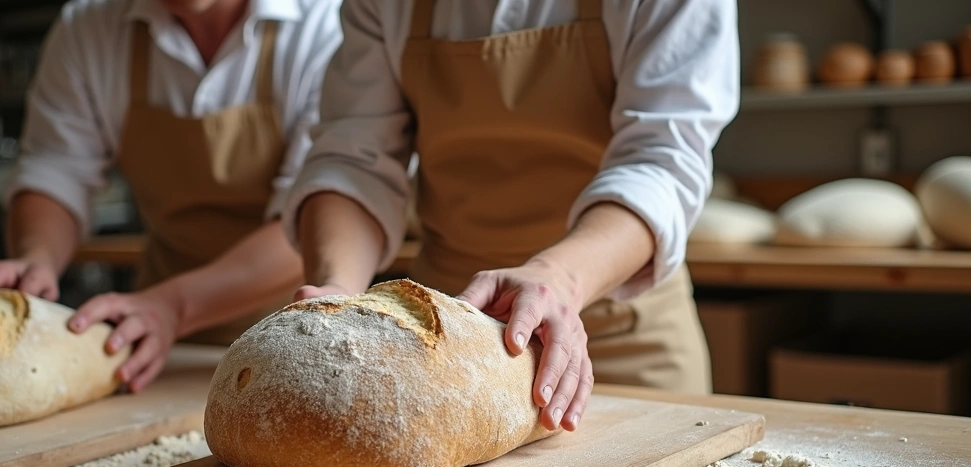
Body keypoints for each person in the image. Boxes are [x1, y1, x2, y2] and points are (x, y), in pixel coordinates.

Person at [281, 0, 739, 430]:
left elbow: (659, 162)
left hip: (624, 337)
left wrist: (556, 279)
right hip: (442, 338)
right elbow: (355, 160)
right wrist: (338, 295)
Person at [0, 0, 344, 392]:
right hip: (157, 343)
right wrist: (35, 257)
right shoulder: (90, 27)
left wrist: (175, 306)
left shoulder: (324, 23)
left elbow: (317, 216)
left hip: (297, 343)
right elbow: (57, 170)